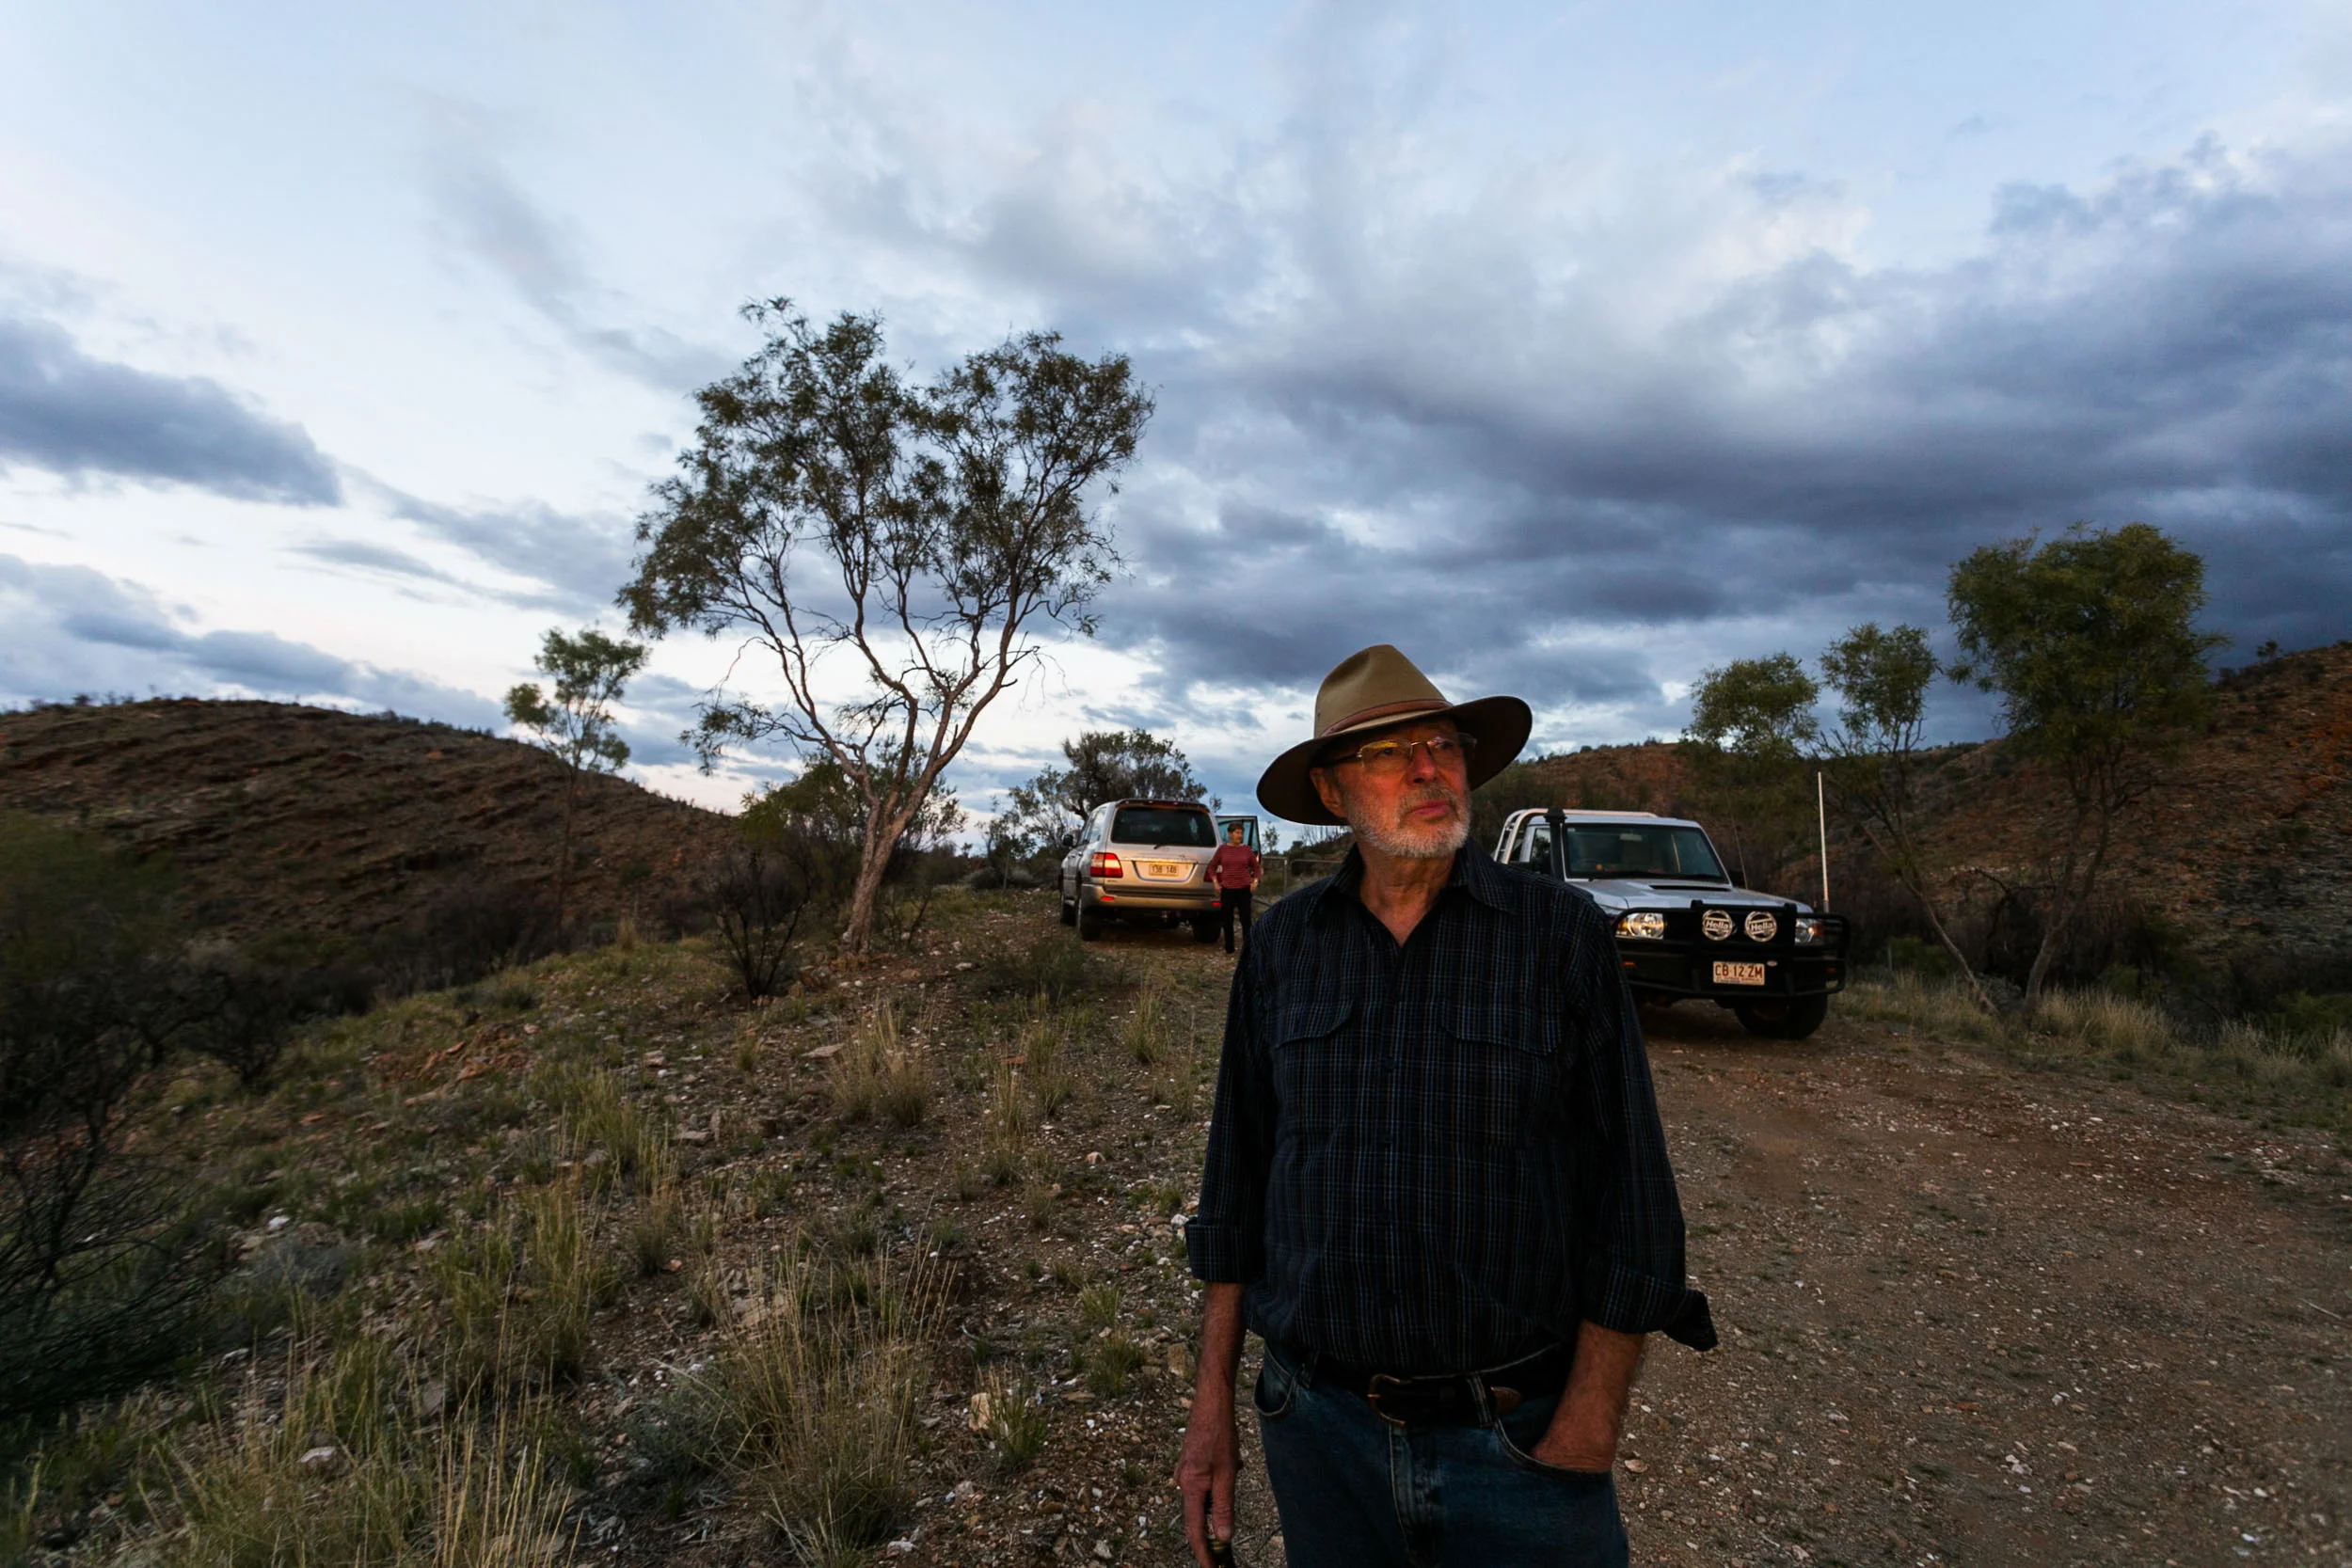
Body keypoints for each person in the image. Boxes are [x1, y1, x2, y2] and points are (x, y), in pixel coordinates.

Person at [1173, 644, 1714, 1568]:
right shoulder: (1283, 946)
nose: (1428, 768)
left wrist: (1584, 1428)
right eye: (1389, 753)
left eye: (1442, 743)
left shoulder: (1560, 937)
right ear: (1335, 793)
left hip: (1518, 1444)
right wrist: (1211, 1402)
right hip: (1318, 1435)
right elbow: (1237, 1185)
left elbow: (1633, 1198)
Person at [1205, 821, 1263, 955]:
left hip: (1243, 889)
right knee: (1227, 920)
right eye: (1237, 833)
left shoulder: (1246, 850)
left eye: (1241, 833)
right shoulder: (1222, 849)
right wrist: (1215, 882)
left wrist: (1255, 881)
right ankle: (1229, 948)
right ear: (1230, 834)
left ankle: (1248, 949)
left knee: (1246, 920)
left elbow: (1256, 868)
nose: (1240, 836)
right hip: (1227, 889)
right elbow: (1212, 867)